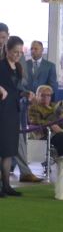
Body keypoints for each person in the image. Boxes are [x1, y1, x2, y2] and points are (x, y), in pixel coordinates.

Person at [0, 36, 30, 196]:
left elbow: (16, 89)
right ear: (7, 50)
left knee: (9, 151)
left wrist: (26, 93)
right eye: (14, 52)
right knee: (1, 149)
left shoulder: (18, 67)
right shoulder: (1, 66)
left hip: (13, 111)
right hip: (2, 111)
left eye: (20, 52)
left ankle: (6, 185)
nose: (18, 55)